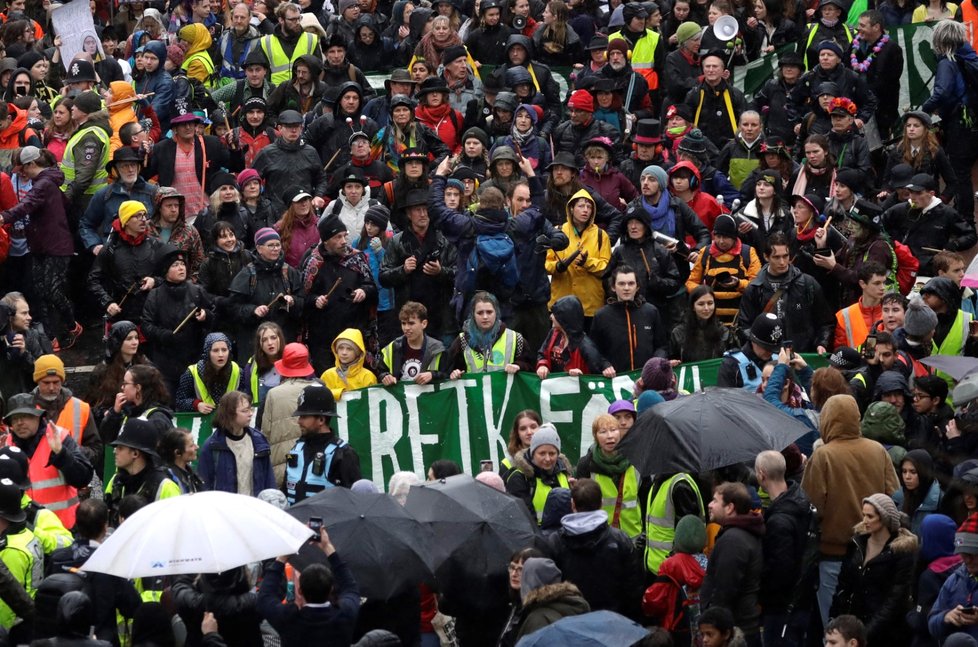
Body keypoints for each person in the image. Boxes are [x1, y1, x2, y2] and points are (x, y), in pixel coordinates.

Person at [801, 394, 900, 627]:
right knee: (869, 623)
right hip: (875, 551)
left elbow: (812, 506)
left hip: (833, 552)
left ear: (827, 419)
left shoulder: (823, 455)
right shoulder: (878, 450)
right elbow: (894, 496)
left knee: (836, 626)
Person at [1, 147, 79, 350]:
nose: (20, 174)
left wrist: (4, 217)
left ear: (31, 165)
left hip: (55, 246)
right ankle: (51, 337)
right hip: (41, 245)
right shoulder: (46, 182)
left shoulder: (44, 184)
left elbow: (27, 204)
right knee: (40, 291)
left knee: (52, 292)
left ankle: (71, 326)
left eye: (21, 169)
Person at [830, 493, 918, 646]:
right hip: (853, 621)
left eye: (870, 516)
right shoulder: (857, 543)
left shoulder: (901, 552)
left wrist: (867, 633)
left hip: (886, 631)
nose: (864, 521)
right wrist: (836, 619)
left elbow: (895, 599)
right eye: (864, 515)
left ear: (884, 518)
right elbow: (843, 584)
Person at [544, 478, 642, 617]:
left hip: (570, 620)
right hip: (613, 620)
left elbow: (549, 588)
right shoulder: (620, 540)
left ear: (572, 504)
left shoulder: (555, 542)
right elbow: (633, 589)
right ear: (601, 503)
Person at [257, 526, 360, 647]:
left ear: (300, 591)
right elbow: (351, 588)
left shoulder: (288, 618)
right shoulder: (345, 613)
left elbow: (265, 597)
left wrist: (282, 557)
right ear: (331, 589)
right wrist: (327, 547)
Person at [2, 392, 92, 529]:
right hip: (27, 533)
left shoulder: (59, 437)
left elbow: (83, 478)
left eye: (24, 417)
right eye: (14, 419)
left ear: (38, 417)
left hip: (63, 530)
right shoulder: (7, 445)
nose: (19, 423)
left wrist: (61, 453)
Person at [755, 450, 814, 647]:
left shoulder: (779, 520)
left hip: (781, 607)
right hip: (801, 599)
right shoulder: (800, 500)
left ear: (761, 475)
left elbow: (780, 569)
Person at [922, 20, 978, 220]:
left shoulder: (947, 63)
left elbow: (942, 93)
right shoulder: (968, 57)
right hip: (973, 119)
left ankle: (965, 220)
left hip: (959, 125)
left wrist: (923, 111)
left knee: (960, 173)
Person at [141, 248, 216, 397]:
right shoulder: (155, 295)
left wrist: (205, 316)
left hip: (194, 358)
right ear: (165, 270)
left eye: (182, 264)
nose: (181, 268)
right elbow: (146, 325)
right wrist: (165, 335)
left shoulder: (196, 291)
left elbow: (213, 313)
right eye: (175, 265)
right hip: (165, 361)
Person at [701, 482, 765, 643]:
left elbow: (725, 589)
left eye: (715, 501)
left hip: (735, 630)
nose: (709, 505)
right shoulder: (739, 534)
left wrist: (712, 624)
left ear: (729, 508)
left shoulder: (733, 541)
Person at [87, 200, 166, 327]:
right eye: (138, 216)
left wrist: (154, 281)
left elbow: (170, 277)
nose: (143, 220)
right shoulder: (110, 249)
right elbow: (93, 280)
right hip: (121, 318)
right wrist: (108, 302)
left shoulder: (155, 245)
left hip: (152, 317)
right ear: (126, 220)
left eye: (144, 215)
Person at [286, 384, 361, 504]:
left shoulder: (343, 454)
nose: (299, 421)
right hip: (293, 521)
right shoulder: (296, 449)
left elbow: (354, 502)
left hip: (328, 522)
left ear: (321, 420)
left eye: (304, 416)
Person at [30, 355, 101, 478]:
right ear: (37, 381)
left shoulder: (81, 408)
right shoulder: (26, 408)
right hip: (36, 486)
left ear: (62, 381)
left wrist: (71, 451)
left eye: (56, 382)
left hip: (74, 486)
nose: (52, 388)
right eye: (46, 383)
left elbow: (96, 450)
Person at [545, 190, 610, 321]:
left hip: (591, 306)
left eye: (589, 207)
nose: (585, 210)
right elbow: (546, 264)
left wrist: (587, 263)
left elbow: (607, 268)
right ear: (571, 208)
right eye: (581, 206)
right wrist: (558, 266)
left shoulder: (601, 235)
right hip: (561, 303)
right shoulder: (557, 232)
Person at [573, 415, 641, 537]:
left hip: (633, 539)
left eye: (613, 430)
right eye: (603, 432)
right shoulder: (586, 464)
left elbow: (645, 498)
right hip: (599, 539)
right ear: (596, 437)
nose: (609, 436)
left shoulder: (635, 460)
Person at [591, 265, 668, 372]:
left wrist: (657, 362)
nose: (626, 288)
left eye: (631, 283)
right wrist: (604, 365)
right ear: (613, 287)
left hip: (647, 378)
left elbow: (662, 346)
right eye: (621, 284)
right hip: (615, 381)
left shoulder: (651, 311)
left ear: (637, 287)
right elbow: (594, 350)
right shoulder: (601, 316)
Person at [104, 419, 181, 525]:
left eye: (120, 448)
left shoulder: (165, 486)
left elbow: (175, 528)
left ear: (135, 454)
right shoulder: (116, 481)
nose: (115, 451)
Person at [199, 391, 275, 496]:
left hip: (254, 507)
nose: (250, 413)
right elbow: (204, 485)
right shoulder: (212, 446)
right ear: (229, 414)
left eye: (250, 409)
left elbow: (269, 480)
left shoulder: (259, 441)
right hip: (226, 510)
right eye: (245, 411)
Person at [446, 292, 532, 378]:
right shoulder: (461, 341)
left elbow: (530, 369)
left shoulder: (516, 339)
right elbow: (448, 371)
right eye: (480, 313)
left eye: (489, 312)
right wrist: (454, 373)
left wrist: (518, 366)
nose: (485, 317)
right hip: (475, 391)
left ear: (496, 313)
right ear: (473, 315)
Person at [504, 423, 572, 523]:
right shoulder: (519, 477)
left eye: (552, 453)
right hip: (536, 536)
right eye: (542, 453)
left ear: (558, 454)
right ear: (533, 453)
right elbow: (523, 519)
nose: (547, 458)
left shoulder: (564, 473)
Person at [511, 557, 590, 641]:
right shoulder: (571, 605)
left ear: (530, 582)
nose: (514, 574)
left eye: (523, 576)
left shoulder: (538, 619)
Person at [175, 333, 248, 414]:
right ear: (207, 353)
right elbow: (179, 401)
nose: (221, 355)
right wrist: (196, 405)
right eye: (215, 350)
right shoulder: (192, 372)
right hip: (202, 421)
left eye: (224, 350)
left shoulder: (238, 371)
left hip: (228, 420)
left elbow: (245, 398)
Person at [376, 302, 447, 386]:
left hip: (428, 397)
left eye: (411, 323)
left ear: (424, 324)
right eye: (403, 323)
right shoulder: (391, 348)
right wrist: (385, 376)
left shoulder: (438, 349)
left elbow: (448, 375)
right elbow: (380, 372)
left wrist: (433, 375)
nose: (406, 328)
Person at [717, 313, 782, 390]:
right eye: (766, 348)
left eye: (773, 348)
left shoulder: (780, 360)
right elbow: (724, 398)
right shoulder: (732, 365)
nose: (770, 352)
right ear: (753, 341)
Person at [670, 285, 732, 363]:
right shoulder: (678, 333)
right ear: (693, 307)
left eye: (710, 303)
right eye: (701, 304)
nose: (706, 308)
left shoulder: (723, 331)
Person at [893, 449, 943, 536]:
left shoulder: (940, 500)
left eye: (913, 472)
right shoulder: (897, 498)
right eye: (904, 471)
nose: (907, 477)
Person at [320, 328, 376, 402]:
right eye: (340, 348)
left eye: (349, 349)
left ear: (358, 352)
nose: (344, 352)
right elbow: (320, 399)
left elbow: (373, 404)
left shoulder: (368, 376)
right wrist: (339, 393)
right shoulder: (327, 375)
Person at [158, 427, 203, 494]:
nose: (197, 447)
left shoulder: (190, 473)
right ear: (178, 452)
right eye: (191, 445)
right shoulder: (169, 480)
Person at [501, 410, 540, 482]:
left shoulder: (554, 461)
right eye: (523, 429)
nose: (529, 432)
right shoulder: (507, 464)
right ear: (517, 433)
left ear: (541, 428)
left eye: (533, 427)